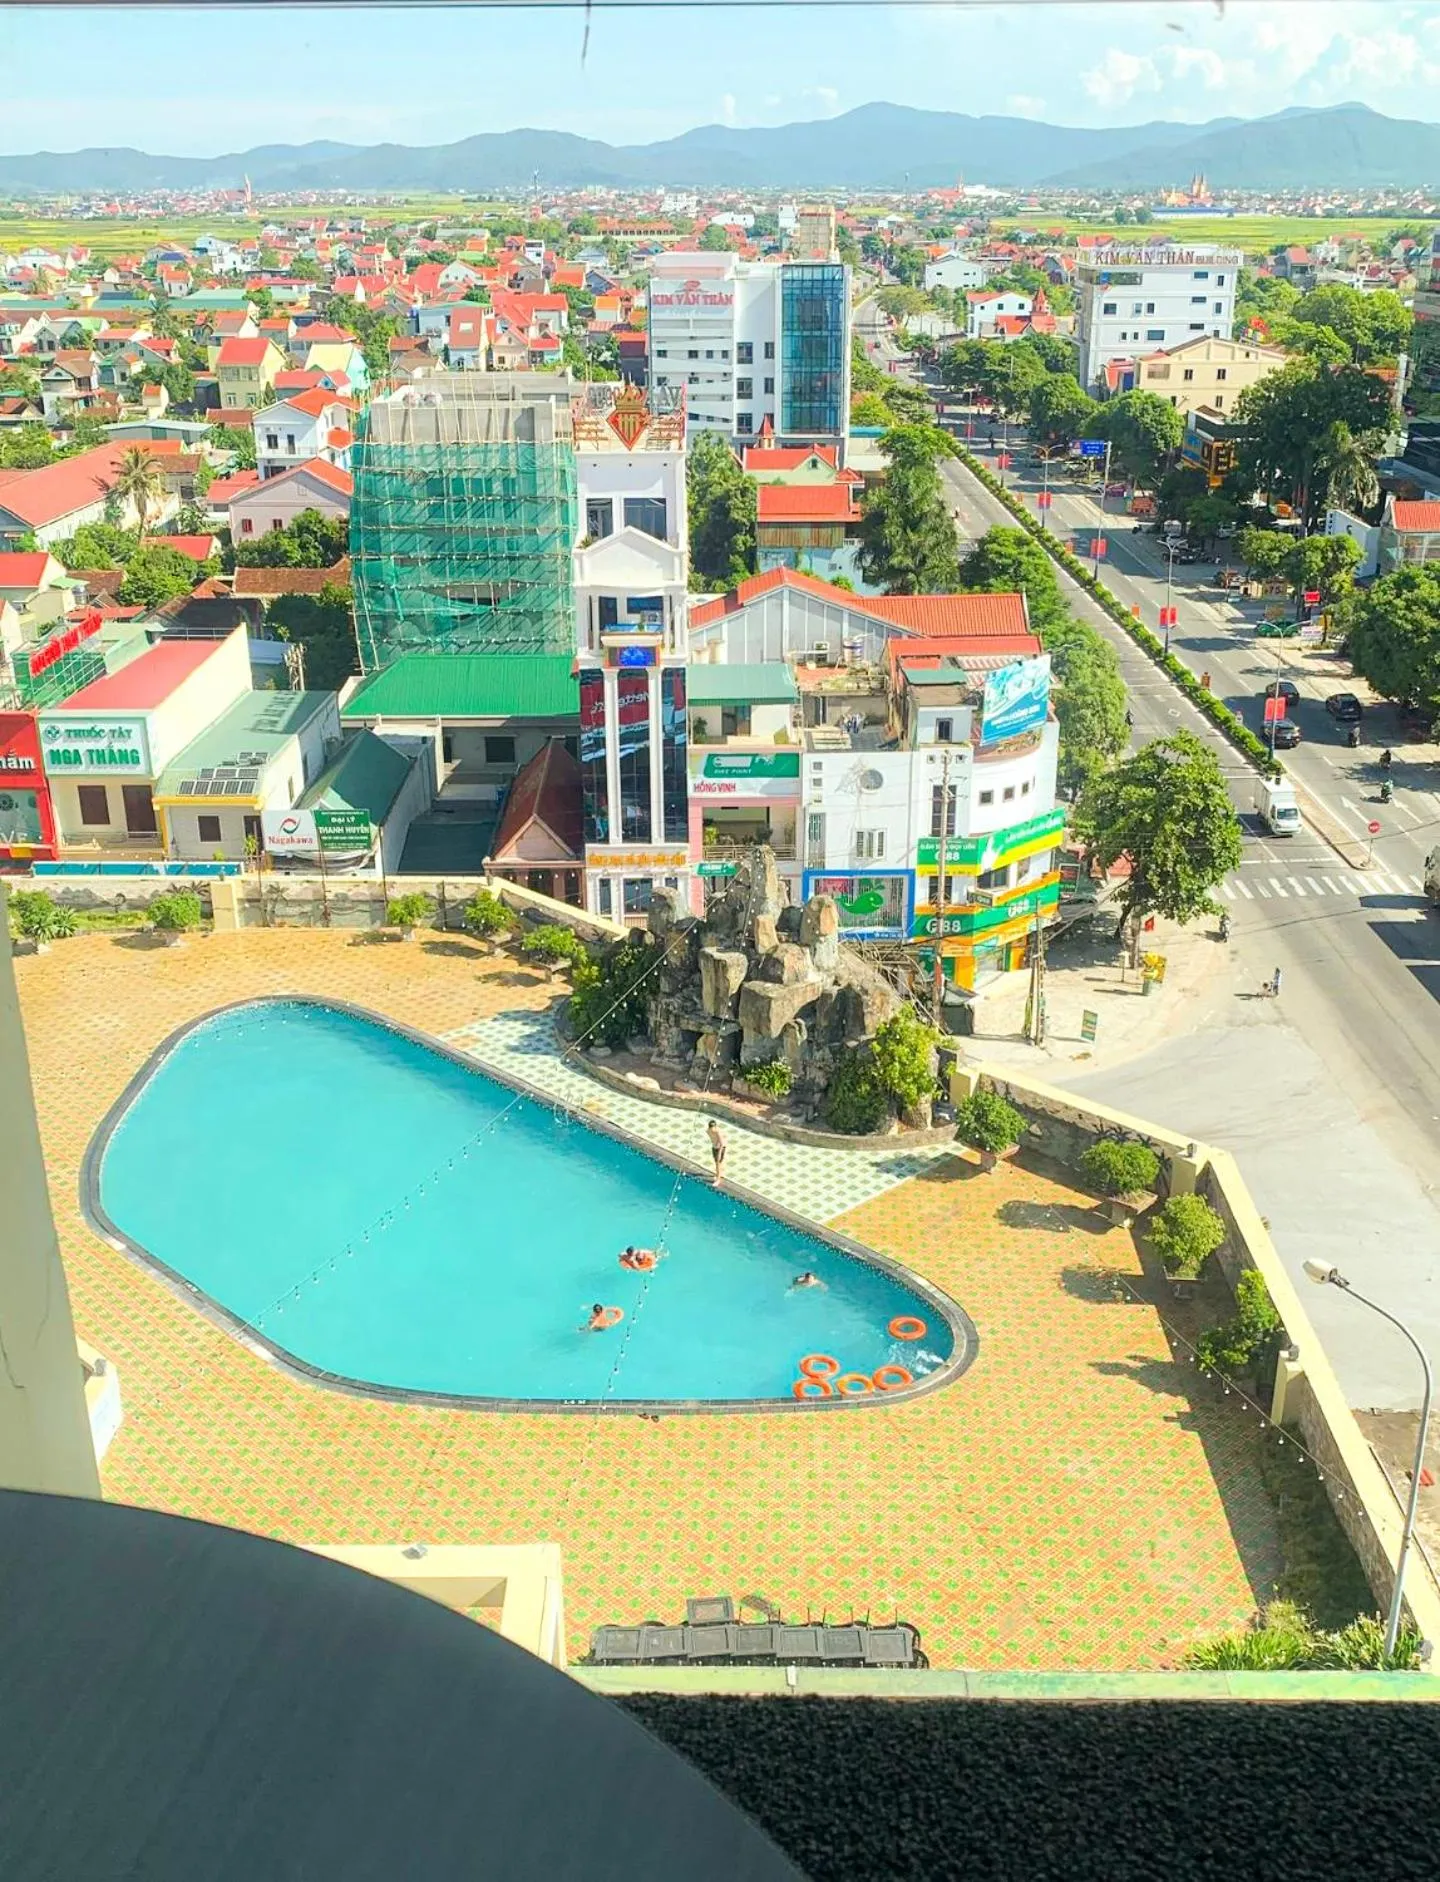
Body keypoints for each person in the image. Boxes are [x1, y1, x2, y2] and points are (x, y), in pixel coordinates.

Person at [707, 1117, 727, 1185]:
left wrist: (719, 1153)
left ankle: (718, 1180)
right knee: (717, 1163)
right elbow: (713, 1139)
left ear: (715, 1127)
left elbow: (722, 1144)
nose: (713, 1129)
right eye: (711, 1128)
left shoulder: (718, 1132)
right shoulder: (708, 1131)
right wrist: (715, 1144)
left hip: (721, 1148)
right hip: (714, 1147)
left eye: (714, 1128)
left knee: (718, 1163)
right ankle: (720, 1174)